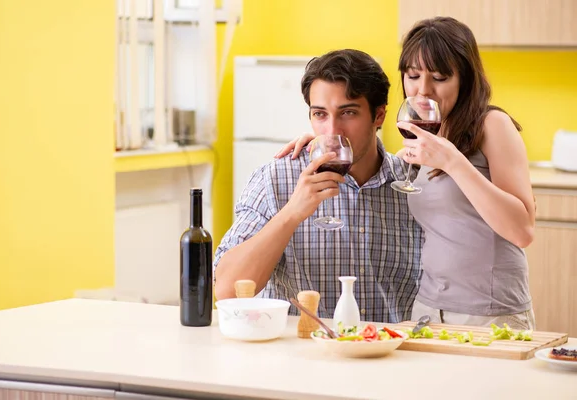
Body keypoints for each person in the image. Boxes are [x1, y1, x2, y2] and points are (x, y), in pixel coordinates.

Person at [278, 17, 537, 330]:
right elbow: (367, 151)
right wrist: (323, 142)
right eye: (413, 76)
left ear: (464, 80)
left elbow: (522, 230)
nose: (423, 90)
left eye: (440, 77)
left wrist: (454, 162)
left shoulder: (491, 125)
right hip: (427, 310)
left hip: (489, 312)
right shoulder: (422, 137)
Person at [213, 49, 423, 323]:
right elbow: (226, 290)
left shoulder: (415, 184)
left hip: (389, 352)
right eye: (320, 114)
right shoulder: (276, 179)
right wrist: (291, 213)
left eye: (348, 112)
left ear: (379, 116)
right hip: (300, 356)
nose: (332, 130)